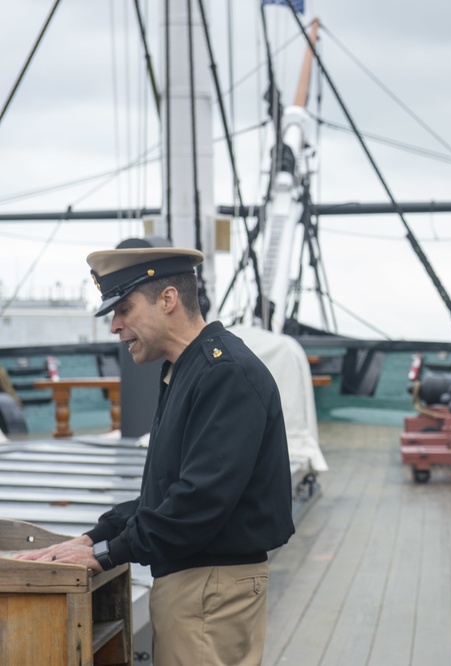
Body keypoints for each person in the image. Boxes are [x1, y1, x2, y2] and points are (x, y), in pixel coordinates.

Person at [16, 246, 295, 666]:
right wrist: (94, 537)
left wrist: (107, 553)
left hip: (208, 589)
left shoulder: (224, 373)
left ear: (168, 299)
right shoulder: (190, 368)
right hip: (199, 587)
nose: (115, 326)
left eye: (124, 309)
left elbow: (197, 503)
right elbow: (167, 493)